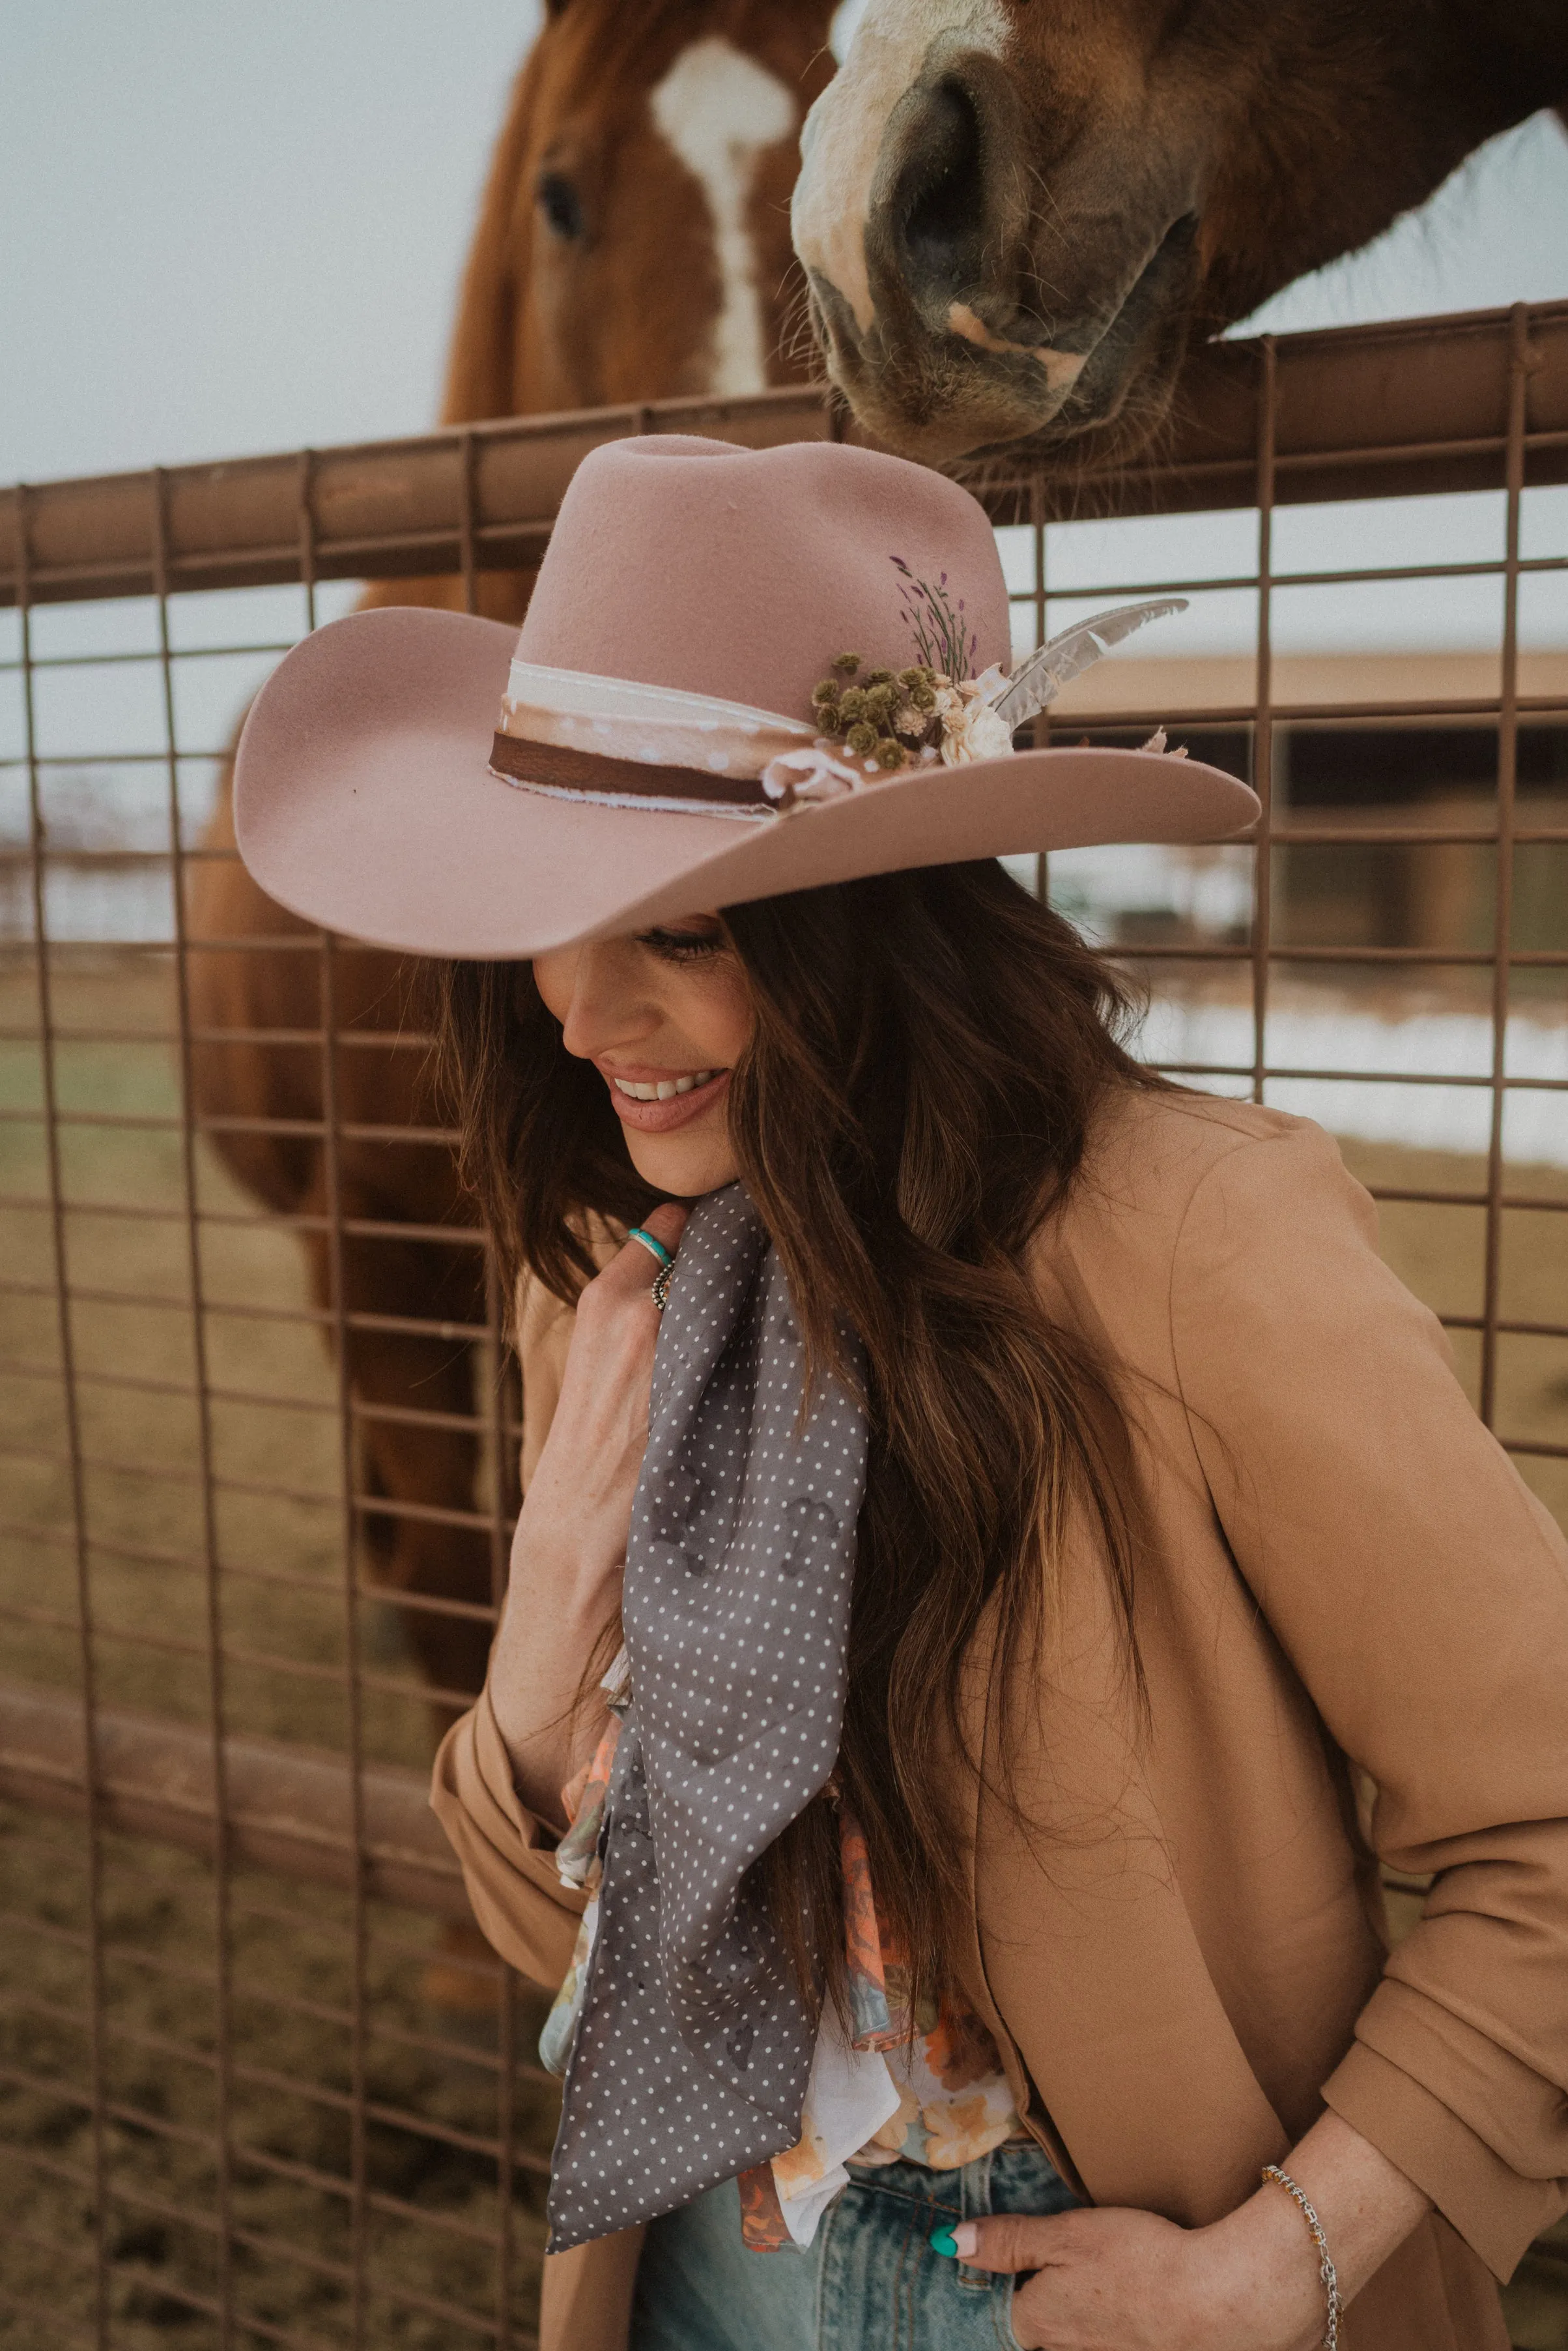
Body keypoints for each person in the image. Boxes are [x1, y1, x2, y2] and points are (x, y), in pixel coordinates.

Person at [233, 433, 1568, 2351]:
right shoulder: (619, 1287)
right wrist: (532, 1678)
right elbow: (580, 1956)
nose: (579, 1012)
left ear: (878, 927)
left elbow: (1542, 1827)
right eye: (550, 910)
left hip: (1096, 2289)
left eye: (681, 927)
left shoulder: (1189, 1245)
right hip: (685, 2268)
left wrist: (1284, 2261)